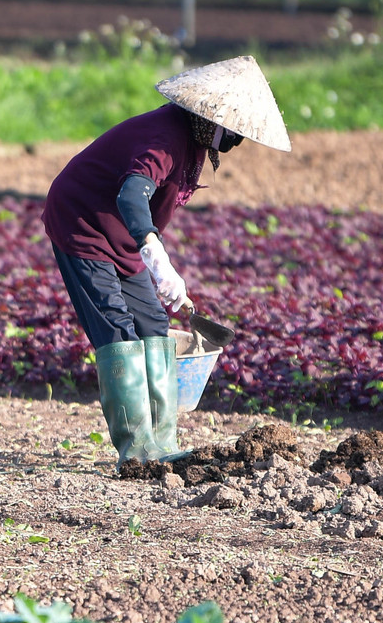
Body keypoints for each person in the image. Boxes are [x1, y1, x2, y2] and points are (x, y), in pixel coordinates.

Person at [42, 55, 292, 468]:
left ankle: (164, 441)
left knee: (154, 326)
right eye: (232, 130)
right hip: (83, 224)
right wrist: (157, 258)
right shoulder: (165, 138)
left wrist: (152, 259)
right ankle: (137, 451)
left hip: (123, 239)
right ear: (210, 117)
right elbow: (130, 195)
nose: (235, 140)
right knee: (117, 329)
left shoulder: (193, 144)